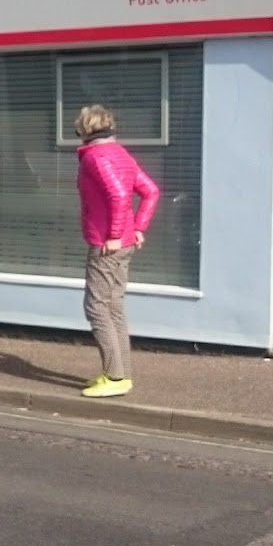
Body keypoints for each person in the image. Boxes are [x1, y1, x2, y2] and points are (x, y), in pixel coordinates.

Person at [74, 103, 160, 399]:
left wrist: (112, 234)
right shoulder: (120, 154)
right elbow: (149, 191)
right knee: (114, 307)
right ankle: (121, 373)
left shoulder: (95, 157)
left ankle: (114, 376)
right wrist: (137, 228)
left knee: (96, 307)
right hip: (124, 243)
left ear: (86, 129)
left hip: (106, 245)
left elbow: (119, 194)